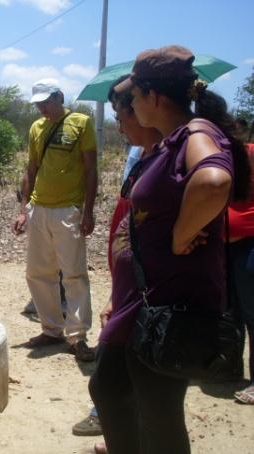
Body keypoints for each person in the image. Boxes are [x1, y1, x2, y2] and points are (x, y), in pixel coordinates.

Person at [88, 45, 251, 454]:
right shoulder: (170, 140)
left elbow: (213, 182)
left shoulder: (196, 133)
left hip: (169, 301)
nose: (131, 106)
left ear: (154, 98)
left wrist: (182, 232)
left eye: (136, 96)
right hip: (143, 297)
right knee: (109, 387)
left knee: (156, 410)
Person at [72, 76, 163, 450]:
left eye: (121, 113)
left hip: (148, 292)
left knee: (117, 383)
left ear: (144, 109)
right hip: (129, 287)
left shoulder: (168, 155)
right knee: (116, 381)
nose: (119, 124)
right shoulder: (142, 155)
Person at [12, 79, 98, 362]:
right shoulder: (36, 128)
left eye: (46, 102)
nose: (41, 108)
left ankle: (78, 336)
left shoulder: (81, 122)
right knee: (38, 272)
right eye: (38, 103)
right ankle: (51, 329)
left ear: (60, 97)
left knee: (73, 274)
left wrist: (87, 210)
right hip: (39, 208)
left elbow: (90, 169)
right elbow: (31, 169)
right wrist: (23, 209)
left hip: (68, 210)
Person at [228, 132, 254, 404]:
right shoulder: (222, 157)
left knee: (252, 312)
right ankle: (230, 366)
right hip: (224, 244)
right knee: (231, 308)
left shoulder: (250, 153)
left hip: (250, 243)